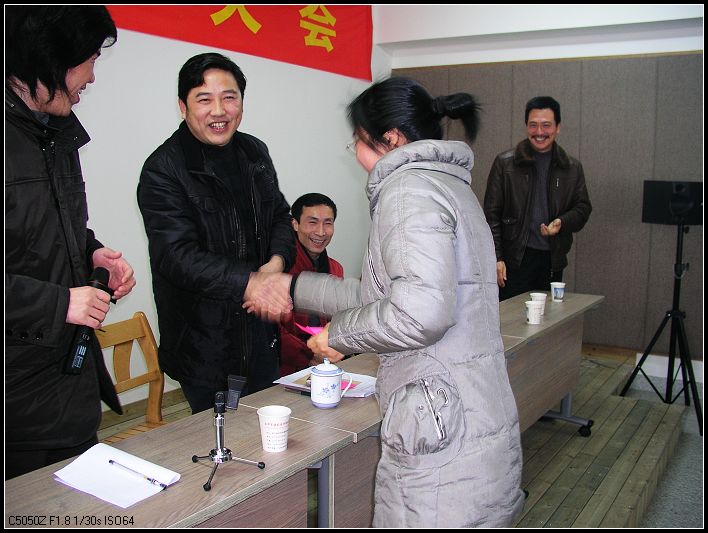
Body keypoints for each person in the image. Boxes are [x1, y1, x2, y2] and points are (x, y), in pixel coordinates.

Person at [248, 77, 525, 527]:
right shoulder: (447, 185)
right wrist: (293, 288)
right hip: (466, 403)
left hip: (438, 414)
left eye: (357, 140)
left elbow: (419, 314)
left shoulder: (407, 190)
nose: (355, 153)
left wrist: (338, 334)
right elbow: (383, 296)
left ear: (391, 138)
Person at [5, 6, 136, 479]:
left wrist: (92, 251)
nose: (93, 77)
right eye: (91, 59)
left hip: (66, 389)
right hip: (15, 409)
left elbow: (52, 226)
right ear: (51, 55)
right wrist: (59, 302)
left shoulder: (52, 133)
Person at [137, 52, 295, 415]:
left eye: (229, 97)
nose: (219, 111)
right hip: (203, 344)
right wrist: (250, 283)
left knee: (267, 431)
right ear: (183, 106)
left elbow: (280, 216)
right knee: (219, 440)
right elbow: (176, 255)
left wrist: (274, 265)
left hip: (259, 333)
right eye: (204, 99)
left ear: (242, 102)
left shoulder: (254, 151)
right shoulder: (164, 169)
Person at [484, 96, 592, 300]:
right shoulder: (505, 163)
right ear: (526, 126)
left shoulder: (571, 167)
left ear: (558, 127)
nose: (539, 132)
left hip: (552, 260)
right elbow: (491, 214)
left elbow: (583, 208)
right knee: (511, 317)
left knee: (550, 317)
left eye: (546, 125)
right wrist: (496, 257)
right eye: (533, 125)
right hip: (514, 260)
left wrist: (562, 222)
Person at [279, 193, 344, 376]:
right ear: (295, 224)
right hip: (285, 369)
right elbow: (271, 331)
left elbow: (338, 320)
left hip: (326, 363)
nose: (321, 232)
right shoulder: (279, 269)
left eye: (328, 223)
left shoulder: (335, 269)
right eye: (312, 222)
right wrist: (308, 355)